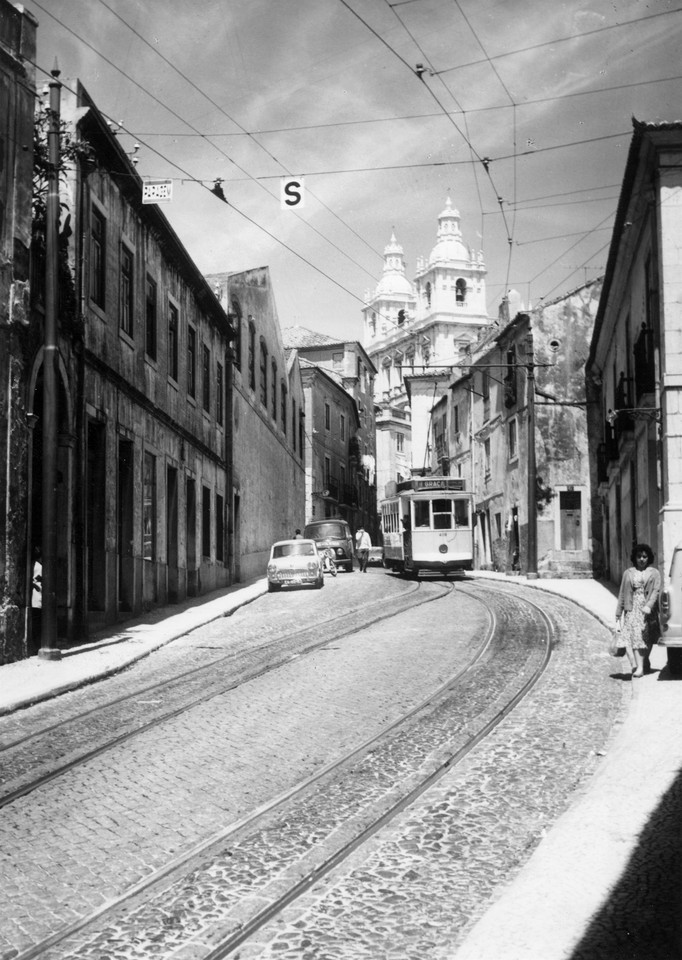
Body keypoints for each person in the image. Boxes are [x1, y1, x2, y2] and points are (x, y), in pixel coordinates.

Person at [615, 543, 661, 678]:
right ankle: (639, 667)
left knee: (649, 637)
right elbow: (623, 593)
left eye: (644, 557)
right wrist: (618, 612)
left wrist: (649, 606)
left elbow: (655, 591)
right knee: (636, 637)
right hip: (632, 608)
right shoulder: (628, 573)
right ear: (634, 557)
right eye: (639, 556)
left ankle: (645, 659)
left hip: (648, 609)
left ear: (649, 558)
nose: (641, 559)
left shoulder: (654, 573)